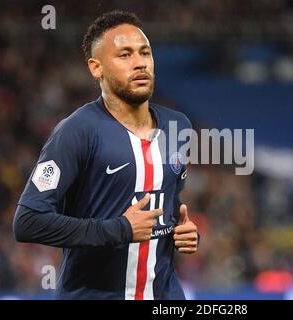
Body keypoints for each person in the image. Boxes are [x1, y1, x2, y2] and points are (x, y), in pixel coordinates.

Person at [13, 10, 199, 300]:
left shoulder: (179, 127)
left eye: (145, 53)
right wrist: (118, 229)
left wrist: (181, 231)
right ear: (96, 67)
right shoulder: (76, 132)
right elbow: (28, 221)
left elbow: (168, 205)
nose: (139, 63)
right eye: (124, 55)